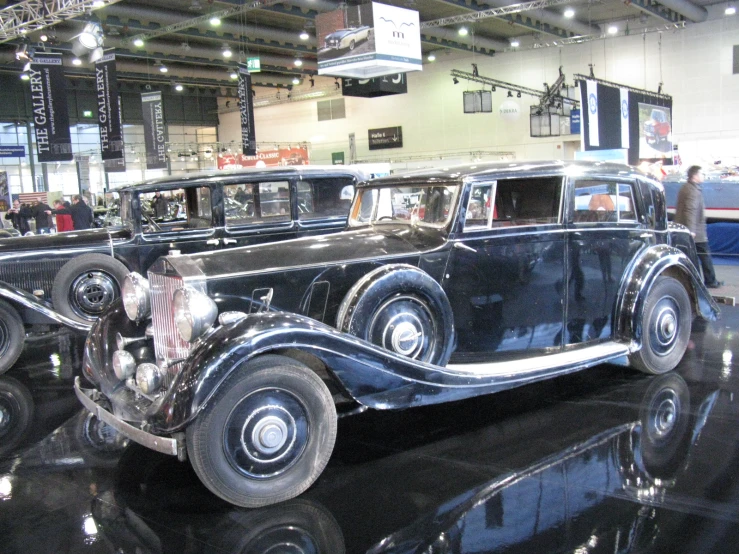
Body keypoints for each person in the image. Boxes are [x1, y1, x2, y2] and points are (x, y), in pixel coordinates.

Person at [675, 165, 721, 288]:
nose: (703, 176)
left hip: (690, 229)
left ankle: (697, 281)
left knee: (692, 256)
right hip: (696, 232)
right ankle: (709, 281)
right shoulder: (693, 191)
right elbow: (691, 210)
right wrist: (691, 230)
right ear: (695, 176)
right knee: (704, 256)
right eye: (701, 174)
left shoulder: (685, 187)